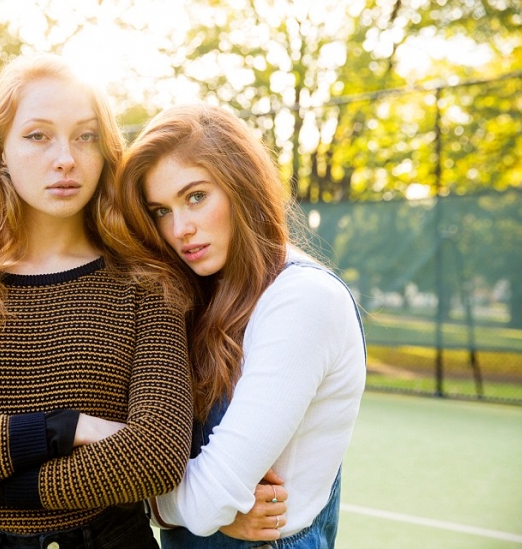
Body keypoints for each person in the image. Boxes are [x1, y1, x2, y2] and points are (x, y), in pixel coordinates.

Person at [0, 53, 199, 549]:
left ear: (106, 150)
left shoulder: (147, 288)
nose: (66, 157)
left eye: (85, 135)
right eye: (38, 135)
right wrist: (64, 429)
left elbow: (155, 455)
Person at [115, 104, 367, 548]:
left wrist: (162, 503)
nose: (180, 229)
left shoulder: (304, 301)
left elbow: (208, 501)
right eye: (160, 210)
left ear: (241, 186)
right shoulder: (199, 292)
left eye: (196, 196)